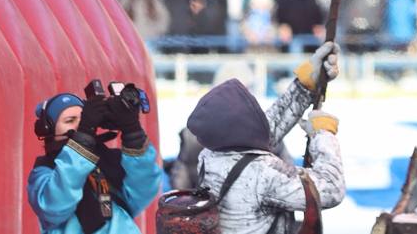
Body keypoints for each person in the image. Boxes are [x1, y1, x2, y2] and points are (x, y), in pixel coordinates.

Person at [185, 43, 344, 233]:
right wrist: (323, 133)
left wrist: (304, 86)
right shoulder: (263, 173)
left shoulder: (210, 155)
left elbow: (261, 133)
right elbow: (330, 189)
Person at [26, 85, 161, 233]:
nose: (79, 125)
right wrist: (83, 137)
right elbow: (55, 206)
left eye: (83, 119)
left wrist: (132, 131)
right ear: (48, 128)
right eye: (70, 120)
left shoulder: (108, 160)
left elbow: (143, 192)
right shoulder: (44, 172)